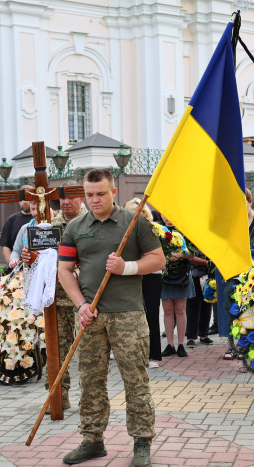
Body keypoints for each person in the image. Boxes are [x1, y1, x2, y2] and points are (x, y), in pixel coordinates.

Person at [57, 169, 165, 466]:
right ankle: (92, 440)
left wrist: (126, 268)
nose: (95, 200)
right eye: (89, 195)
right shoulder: (75, 227)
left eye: (101, 194)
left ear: (113, 192)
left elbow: (158, 259)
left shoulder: (135, 221)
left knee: (135, 380)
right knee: (90, 380)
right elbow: (64, 269)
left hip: (128, 315)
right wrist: (80, 305)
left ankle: (142, 442)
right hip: (91, 316)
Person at [9, 187, 85, 412]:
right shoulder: (48, 226)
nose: (66, 202)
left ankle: (89, 399)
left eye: (71, 197)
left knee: (86, 351)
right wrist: (29, 258)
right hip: (56, 300)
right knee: (57, 350)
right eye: (62, 197)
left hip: (84, 298)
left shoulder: (91, 223)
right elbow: (39, 260)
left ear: (81, 198)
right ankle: (59, 397)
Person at [217, 188, 254, 360]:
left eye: (242, 202)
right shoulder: (231, 223)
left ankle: (248, 344)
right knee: (232, 309)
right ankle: (232, 345)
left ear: (249, 201)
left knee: (250, 309)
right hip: (234, 273)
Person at [125, 199, 163, 369]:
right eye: (133, 213)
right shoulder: (123, 232)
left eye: (140, 213)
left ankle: (153, 355)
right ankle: (131, 353)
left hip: (151, 276)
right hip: (130, 276)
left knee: (152, 314)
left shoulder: (152, 229)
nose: (137, 217)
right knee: (130, 315)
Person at [160, 217, 194, 358]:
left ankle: (180, 344)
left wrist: (180, 255)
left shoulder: (185, 230)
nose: (167, 218)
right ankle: (170, 345)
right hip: (165, 275)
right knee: (167, 311)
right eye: (164, 214)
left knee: (180, 310)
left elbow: (192, 254)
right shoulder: (159, 230)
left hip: (182, 275)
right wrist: (165, 256)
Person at [0, 184, 34, 263]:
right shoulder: (11, 220)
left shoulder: (40, 219)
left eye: (27, 198)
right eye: (22, 198)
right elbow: (6, 245)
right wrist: (12, 266)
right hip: (18, 266)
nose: (25, 201)